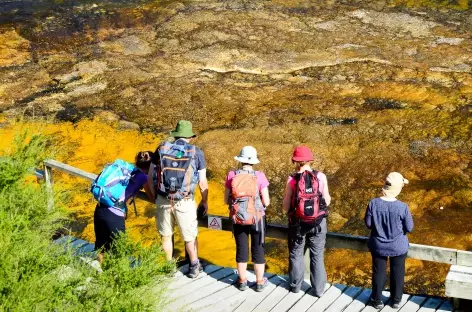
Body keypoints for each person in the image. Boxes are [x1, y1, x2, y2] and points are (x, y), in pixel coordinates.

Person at [148, 120, 208, 278]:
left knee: (166, 235)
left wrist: (156, 196)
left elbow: (150, 177)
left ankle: (169, 267)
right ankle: (194, 266)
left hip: (163, 198)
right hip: (185, 200)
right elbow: (202, 182)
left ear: (175, 135)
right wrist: (204, 201)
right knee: (189, 236)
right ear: (190, 137)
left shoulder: (162, 147)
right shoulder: (196, 152)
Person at [282, 146, 331, 296]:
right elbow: (327, 201)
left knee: (296, 253)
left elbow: (285, 206)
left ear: (295, 161)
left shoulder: (292, 179)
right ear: (310, 159)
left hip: (297, 223)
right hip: (317, 223)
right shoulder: (320, 176)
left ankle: (295, 286)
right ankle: (319, 290)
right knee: (317, 255)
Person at [364, 172, 414, 309]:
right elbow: (410, 227)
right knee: (397, 272)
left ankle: (377, 300)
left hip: (378, 244)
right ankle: (396, 300)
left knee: (378, 272)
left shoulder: (373, 203)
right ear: (398, 189)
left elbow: (368, 224)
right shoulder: (403, 207)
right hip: (398, 246)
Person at [224, 146, 270, 292]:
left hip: (238, 218)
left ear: (240, 159)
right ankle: (260, 282)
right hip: (256, 218)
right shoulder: (260, 176)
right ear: (254, 161)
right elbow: (267, 201)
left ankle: (242, 281)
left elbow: (226, 199)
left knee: (241, 248)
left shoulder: (232, 174)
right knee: (258, 249)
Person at [94, 151, 154, 263]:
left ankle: (101, 272)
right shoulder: (143, 177)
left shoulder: (128, 170)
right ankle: (117, 277)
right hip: (114, 214)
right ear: (150, 166)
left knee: (102, 247)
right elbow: (152, 198)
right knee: (119, 249)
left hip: (100, 207)